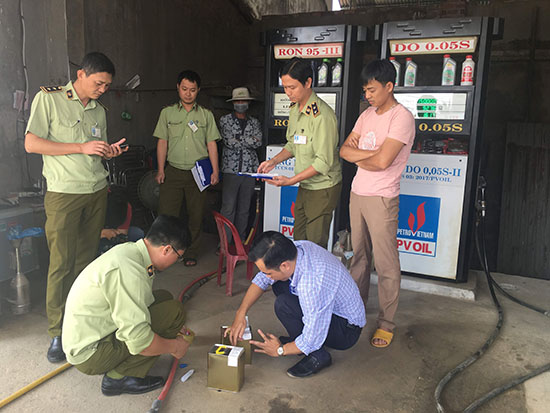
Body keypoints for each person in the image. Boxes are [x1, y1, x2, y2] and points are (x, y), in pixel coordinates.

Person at [25, 52, 127, 363]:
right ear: (81, 75)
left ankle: (81, 322)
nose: (103, 90)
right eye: (99, 83)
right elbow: (32, 143)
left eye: (107, 86)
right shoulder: (49, 100)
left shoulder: (99, 111)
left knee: (86, 262)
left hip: (95, 190)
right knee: (61, 263)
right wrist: (80, 147)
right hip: (64, 193)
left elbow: (94, 150)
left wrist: (107, 152)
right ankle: (58, 331)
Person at [62, 215, 192, 396]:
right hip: (91, 353)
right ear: (167, 249)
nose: (176, 262)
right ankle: (119, 378)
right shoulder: (130, 271)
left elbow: (142, 301)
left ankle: (124, 367)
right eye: (178, 257)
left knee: (164, 298)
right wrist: (174, 346)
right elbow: (140, 340)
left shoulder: (133, 252)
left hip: (95, 330)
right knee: (174, 312)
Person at [339, 59, 415, 348]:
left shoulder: (401, 118)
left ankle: (386, 323)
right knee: (358, 257)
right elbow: (344, 151)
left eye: (372, 90)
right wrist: (372, 155)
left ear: (389, 86)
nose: (367, 95)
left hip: (383, 197)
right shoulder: (366, 115)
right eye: (365, 90)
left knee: (385, 263)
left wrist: (363, 155)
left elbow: (384, 162)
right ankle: (355, 310)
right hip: (358, 193)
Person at [227, 231, 365, 378]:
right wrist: (241, 313)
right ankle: (298, 340)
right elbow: (262, 279)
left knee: (284, 304)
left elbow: (312, 337)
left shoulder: (312, 283)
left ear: (284, 266)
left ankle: (318, 356)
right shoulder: (296, 249)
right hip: (331, 309)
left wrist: (280, 350)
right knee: (278, 284)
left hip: (346, 330)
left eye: (268, 272)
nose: (266, 276)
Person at [257, 57, 341, 249]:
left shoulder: (322, 116)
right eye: (285, 87)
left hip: (322, 187)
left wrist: (290, 181)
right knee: (299, 240)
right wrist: (273, 162)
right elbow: (293, 144)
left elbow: (323, 162)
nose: (288, 92)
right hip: (306, 184)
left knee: (314, 244)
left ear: (308, 82)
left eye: (292, 87)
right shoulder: (295, 109)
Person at [154, 70, 221, 267]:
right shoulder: (167, 113)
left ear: (198, 90)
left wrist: (215, 171)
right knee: (166, 214)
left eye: (192, 90)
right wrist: (160, 169)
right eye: (184, 89)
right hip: (173, 170)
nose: (188, 93)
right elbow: (162, 142)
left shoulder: (206, 115)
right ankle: (165, 252)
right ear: (178, 88)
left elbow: (211, 144)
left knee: (196, 215)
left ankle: (191, 251)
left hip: (198, 172)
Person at [219, 87, 262, 244]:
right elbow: (229, 142)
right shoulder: (225, 120)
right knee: (228, 208)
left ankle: (240, 242)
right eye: (238, 101)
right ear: (233, 103)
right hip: (231, 170)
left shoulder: (254, 122)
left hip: (249, 171)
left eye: (243, 100)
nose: (241, 103)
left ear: (248, 103)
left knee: (244, 209)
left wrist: (239, 139)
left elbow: (258, 141)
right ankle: (224, 243)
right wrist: (249, 140)